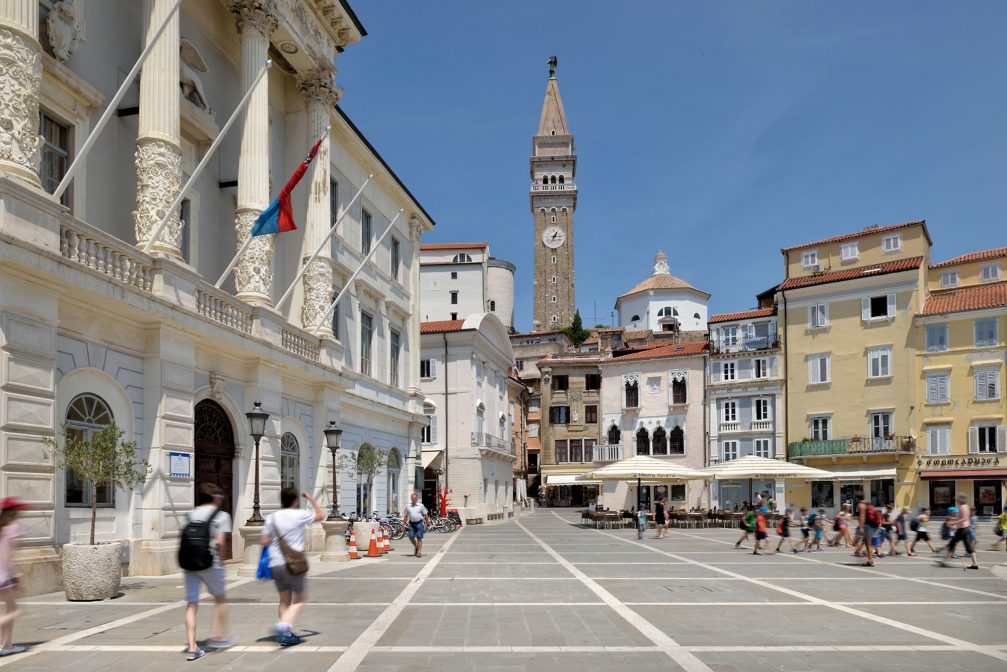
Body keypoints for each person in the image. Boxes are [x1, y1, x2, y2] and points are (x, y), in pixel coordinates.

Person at [261, 488, 324, 646]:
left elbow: (264, 541)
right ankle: (283, 626)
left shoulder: (272, 518)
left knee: (284, 600)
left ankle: (287, 635)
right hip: (294, 563)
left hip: (275, 563)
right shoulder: (300, 514)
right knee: (300, 599)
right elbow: (320, 516)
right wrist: (310, 498)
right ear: (295, 501)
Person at [183, 483, 233, 661]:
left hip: (190, 563)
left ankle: (192, 647)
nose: (221, 498)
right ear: (214, 497)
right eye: (219, 495)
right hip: (210, 562)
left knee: (192, 603)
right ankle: (217, 637)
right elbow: (220, 542)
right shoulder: (222, 515)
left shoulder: (191, 513)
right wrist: (222, 560)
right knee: (220, 599)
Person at [0, 497, 29, 658]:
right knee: (14, 611)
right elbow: (8, 557)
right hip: (3, 576)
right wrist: (16, 576)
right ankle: (6, 645)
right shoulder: (12, 528)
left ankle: (7, 645)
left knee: (9, 609)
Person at [940, 495, 979, 570]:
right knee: (968, 547)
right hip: (965, 528)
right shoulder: (966, 506)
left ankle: (944, 562)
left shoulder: (962, 507)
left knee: (952, 544)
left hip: (962, 529)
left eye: (957, 499)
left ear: (960, 500)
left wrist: (955, 522)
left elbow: (964, 518)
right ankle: (975, 564)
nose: (956, 501)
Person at [404, 493, 428, 557]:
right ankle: (416, 547)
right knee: (411, 537)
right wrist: (403, 524)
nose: (413, 499)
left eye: (415, 498)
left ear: (417, 499)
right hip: (411, 524)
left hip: (419, 523)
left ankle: (419, 552)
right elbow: (406, 515)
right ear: (411, 499)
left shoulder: (421, 505)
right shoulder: (408, 506)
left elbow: (425, 514)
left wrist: (427, 523)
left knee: (419, 538)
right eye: (412, 498)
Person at [858, 496, 878, 567]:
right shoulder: (868, 504)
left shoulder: (861, 505)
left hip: (867, 526)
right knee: (867, 544)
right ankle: (869, 560)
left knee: (868, 544)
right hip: (872, 526)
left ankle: (870, 560)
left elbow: (862, 516)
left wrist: (861, 526)